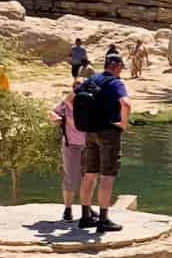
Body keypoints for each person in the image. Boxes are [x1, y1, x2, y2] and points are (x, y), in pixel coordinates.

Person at [73, 50, 131, 233]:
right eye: (121, 67)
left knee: (89, 174)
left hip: (90, 132)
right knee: (107, 176)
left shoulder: (91, 80)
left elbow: (74, 94)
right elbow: (126, 104)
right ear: (116, 67)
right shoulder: (115, 83)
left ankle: (85, 216)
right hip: (109, 133)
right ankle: (104, 219)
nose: (121, 71)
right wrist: (123, 123)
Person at [51, 82, 87, 224]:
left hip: (88, 145)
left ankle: (85, 209)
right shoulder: (67, 102)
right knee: (72, 178)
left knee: (86, 178)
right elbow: (53, 112)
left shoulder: (92, 101)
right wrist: (58, 119)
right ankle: (68, 209)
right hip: (72, 144)